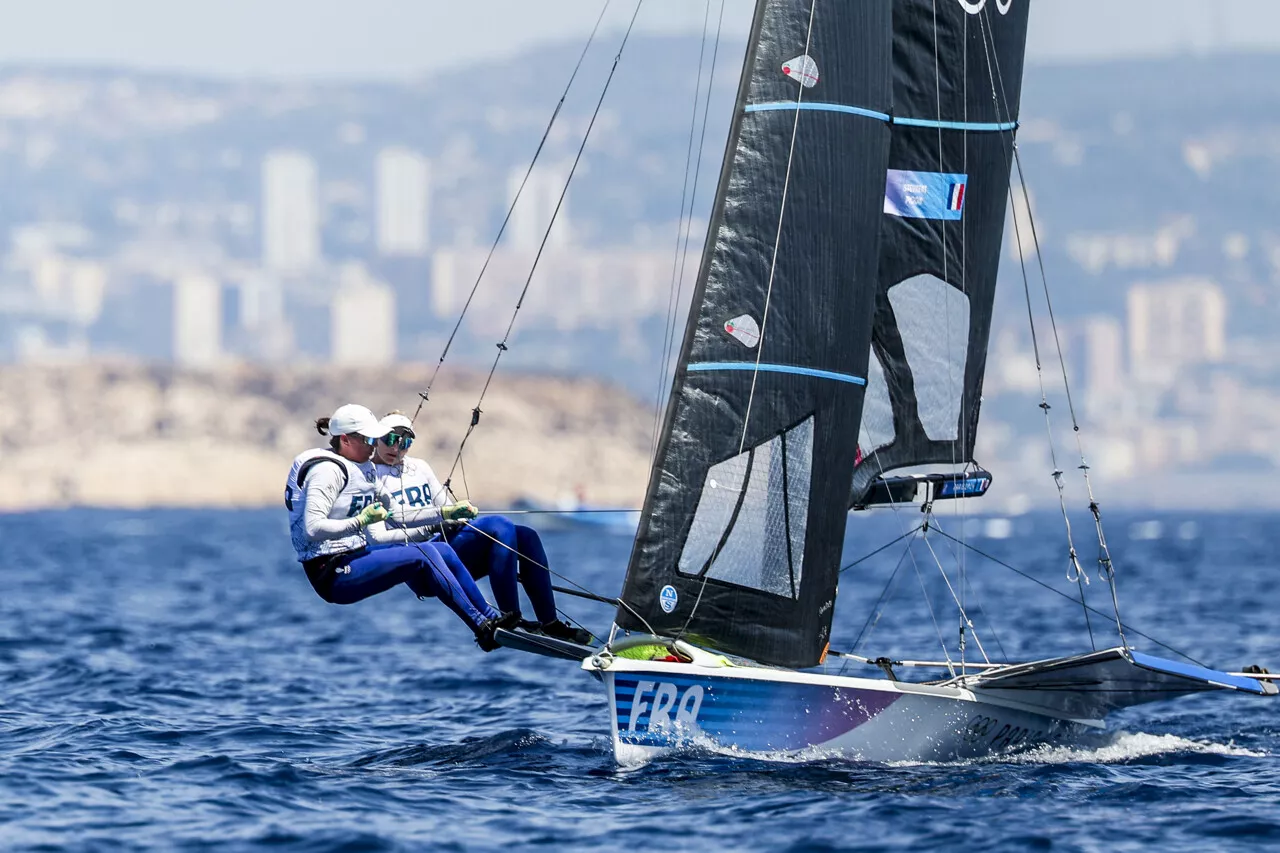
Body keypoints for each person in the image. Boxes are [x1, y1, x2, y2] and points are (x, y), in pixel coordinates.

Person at [285, 403, 516, 651]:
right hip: (330, 573)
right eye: (368, 438)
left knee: (444, 552)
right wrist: (361, 521)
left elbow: (399, 513)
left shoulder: (364, 467)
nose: (375, 445)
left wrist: (445, 513)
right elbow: (313, 528)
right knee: (425, 554)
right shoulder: (327, 471)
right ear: (345, 440)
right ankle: (482, 628)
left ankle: (491, 620)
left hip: (355, 556)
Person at [372, 412, 593, 645]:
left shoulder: (420, 467)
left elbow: (446, 508)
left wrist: (459, 514)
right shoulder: (369, 476)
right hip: (424, 564)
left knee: (527, 536)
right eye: (389, 439)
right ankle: (511, 618)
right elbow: (380, 538)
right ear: (377, 437)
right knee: (500, 525)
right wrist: (434, 526)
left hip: (448, 546)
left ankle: (550, 624)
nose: (396, 448)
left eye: (405, 443)